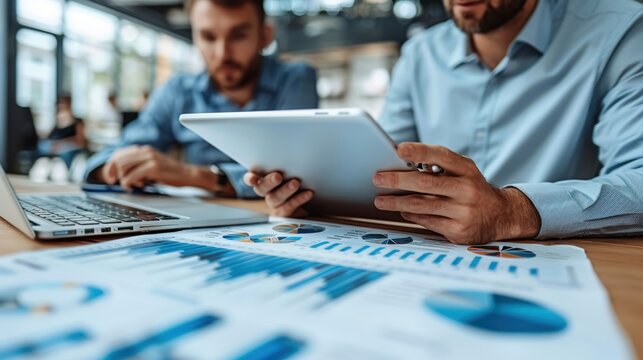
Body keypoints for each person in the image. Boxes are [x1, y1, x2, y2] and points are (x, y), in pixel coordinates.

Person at [245, 0, 643, 244]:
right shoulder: (420, 54)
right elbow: (380, 175)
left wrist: (513, 211)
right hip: (438, 259)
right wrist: (311, 196)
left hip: (569, 264)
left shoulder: (620, 32)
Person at [84, 0, 318, 197]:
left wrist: (192, 175)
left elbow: (294, 176)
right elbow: (103, 160)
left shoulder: (295, 79)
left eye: (238, 35)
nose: (222, 53)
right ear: (194, 37)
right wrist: (116, 169)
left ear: (264, 36)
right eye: (208, 37)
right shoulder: (178, 90)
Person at [38, 95, 87, 168]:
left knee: (64, 154)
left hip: (69, 147)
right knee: (41, 146)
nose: (61, 105)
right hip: (54, 145)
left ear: (70, 104)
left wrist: (61, 143)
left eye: (63, 103)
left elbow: (81, 142)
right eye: (60, 103)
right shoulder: (57, 121)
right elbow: (50, 136)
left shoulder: (78, 121)